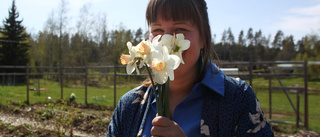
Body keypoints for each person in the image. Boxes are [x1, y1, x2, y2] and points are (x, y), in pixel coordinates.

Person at [107, 0, 274, 136]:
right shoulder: (130, 106)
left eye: (180, 29)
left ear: (203, 38)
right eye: (157, 30)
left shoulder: (238, 99)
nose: (166, 41)